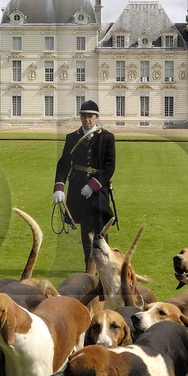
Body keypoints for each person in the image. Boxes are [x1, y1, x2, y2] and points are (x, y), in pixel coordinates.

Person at [53, 99, 116, 270]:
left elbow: (109, 167)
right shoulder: (72, 138)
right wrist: (59, 187)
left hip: (98, 191)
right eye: (84, 116)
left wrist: (93, 185)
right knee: (85, 231)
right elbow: (64, 164)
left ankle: (105, 266)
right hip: (78, 190)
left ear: (96, 117)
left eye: (90, 116)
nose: (87, 119)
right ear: (80, 117)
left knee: (101, 232)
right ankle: (89, 269)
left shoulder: (106, 137)